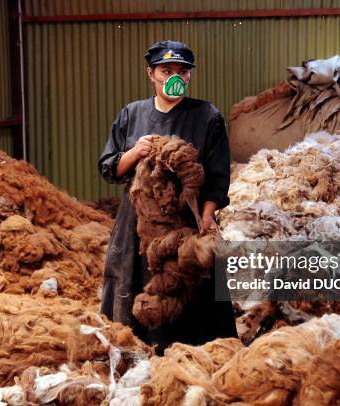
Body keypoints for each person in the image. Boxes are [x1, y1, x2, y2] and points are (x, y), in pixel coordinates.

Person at [97, 40, 237, 353]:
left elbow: (217, 178)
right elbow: (109, 169)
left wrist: (207, 215)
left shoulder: (206, 116)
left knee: (190, 286)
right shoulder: (132, 114)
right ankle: (135, 350)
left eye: (182, 71)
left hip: (186, 220)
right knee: (133, 282)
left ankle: (193, 353)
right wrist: (135, 152)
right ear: (152, 73)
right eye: (166, 70)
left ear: (189, 76)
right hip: (138, 223)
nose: (175, 76)